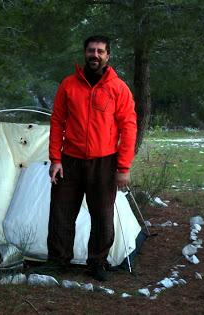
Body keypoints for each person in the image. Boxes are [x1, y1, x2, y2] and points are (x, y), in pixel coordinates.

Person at [47, 35, 137, 281]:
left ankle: (97, 262)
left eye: (100, 51)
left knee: (102, 216)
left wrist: (124, 167)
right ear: (84, 53)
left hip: (104, 162)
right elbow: (57, 122)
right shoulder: (68, 85)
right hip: (70, 161)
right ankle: (58, 261)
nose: (94, 55)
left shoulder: (118, 88)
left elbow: (129, 128)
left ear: (108, 56)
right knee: (61, 213)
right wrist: (55, 159)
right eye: (90, 51)